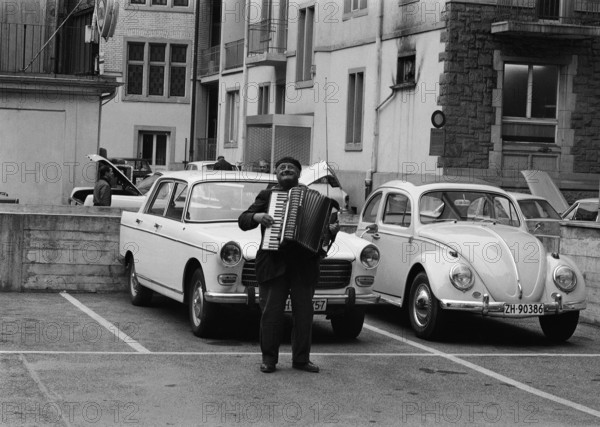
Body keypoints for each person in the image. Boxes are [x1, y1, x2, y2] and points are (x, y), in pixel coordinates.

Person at [238, 156, 340, 374]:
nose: (286, 170)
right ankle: (269, 360)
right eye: (282, 167)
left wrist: (331, 232)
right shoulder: (267, 195)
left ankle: (301, 360)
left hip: (304, 265)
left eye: (291, 168)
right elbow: (243, 220)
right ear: (276, 174)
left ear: (298, 174)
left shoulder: (313, 197)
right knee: (271, 315)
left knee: (304, 316)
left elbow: (322, 237)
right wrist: (258, 216)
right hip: (274, 264)